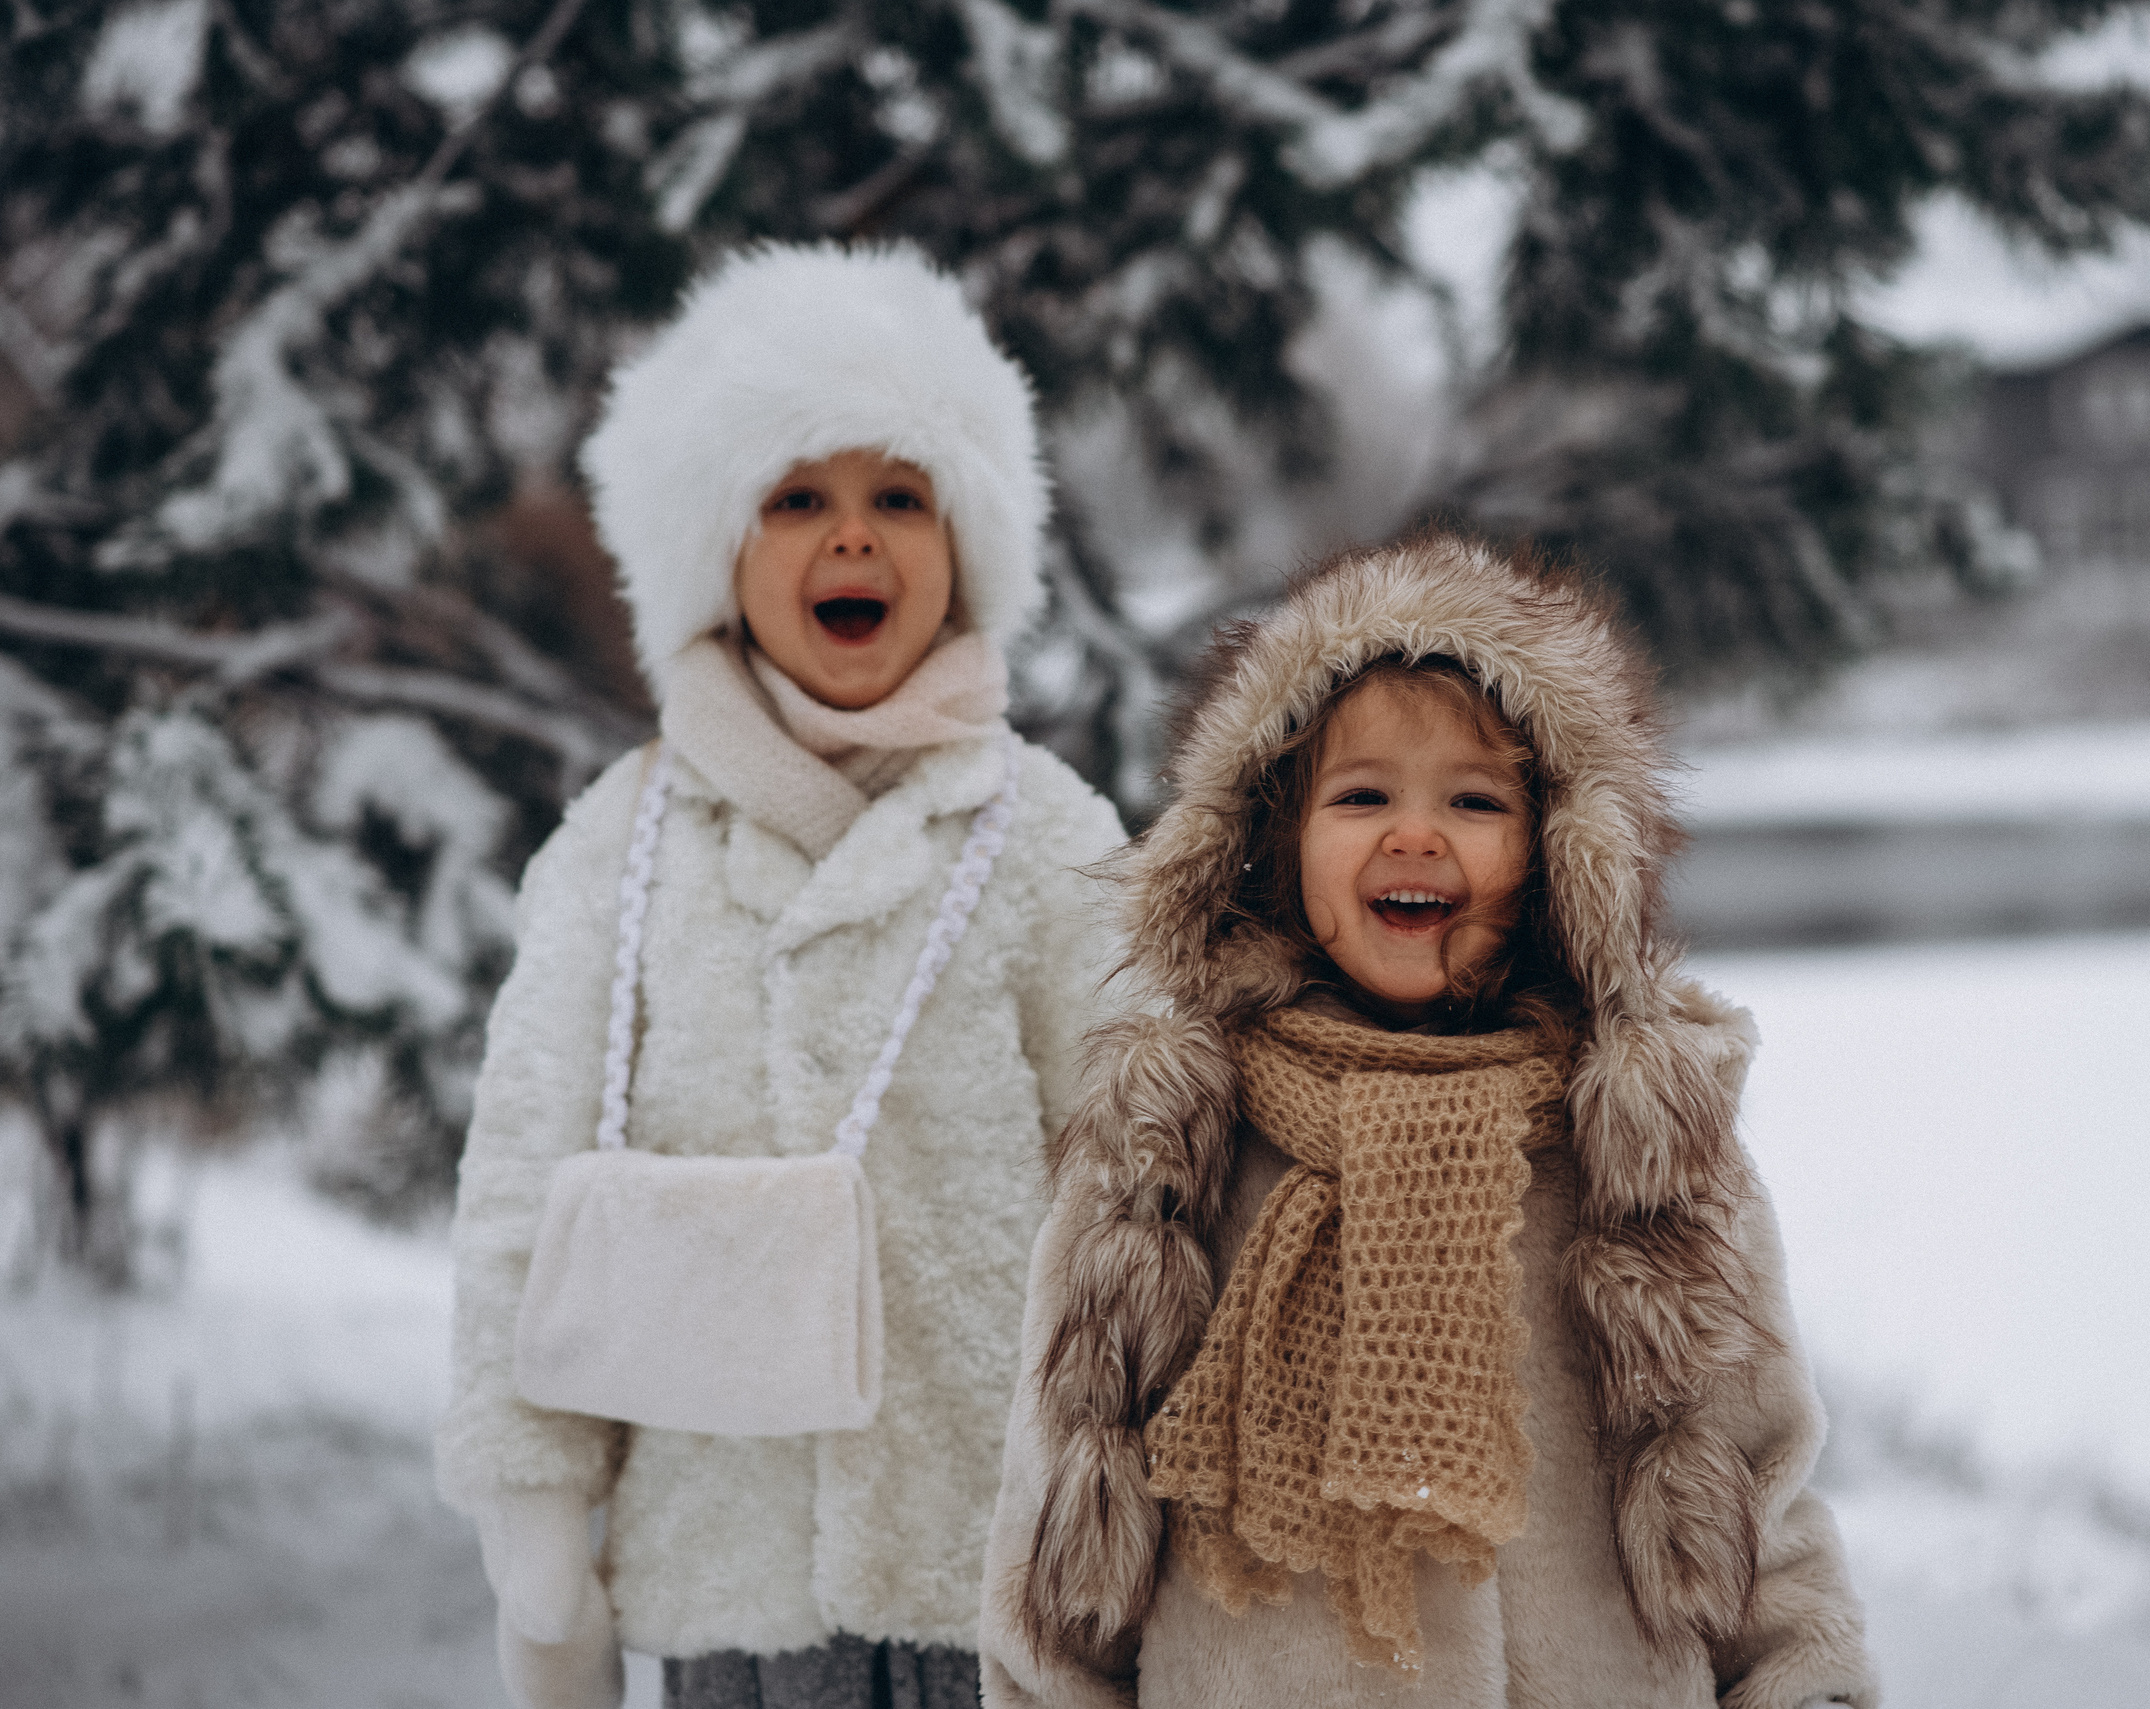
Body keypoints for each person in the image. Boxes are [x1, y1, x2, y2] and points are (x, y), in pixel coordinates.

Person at [977, 535, 1879, 1708]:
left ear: (1556, 851)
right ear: (1271, 840)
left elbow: (1760, 1493)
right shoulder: (1171, 1150)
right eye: (1362, 797)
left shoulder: (1637, 1147)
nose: (1415, 834)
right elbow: (1062, 1525)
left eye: (1474, 800)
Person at [434, 242, 1126, 1709]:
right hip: (725, 1574)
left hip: (990, 1572)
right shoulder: (622, 844)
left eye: (901, 498)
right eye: (797, 498)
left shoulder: (1044, 836)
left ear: (970, 546)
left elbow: (1147, 1174)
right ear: (715, 550)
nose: (852, 538)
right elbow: (521, 1180)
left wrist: (1143, 1475)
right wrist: (532, 1491)